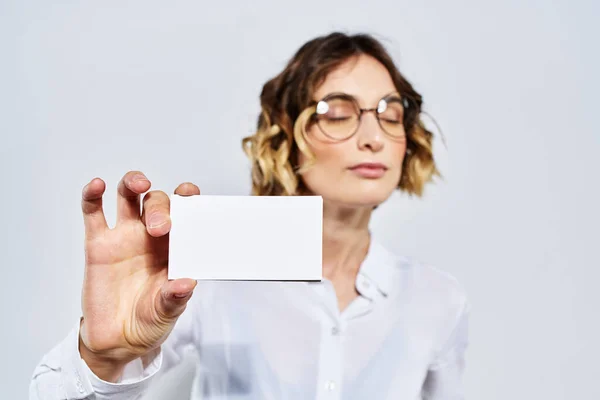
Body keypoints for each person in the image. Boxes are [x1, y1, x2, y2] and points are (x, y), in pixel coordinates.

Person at [30, 31, 469, 399]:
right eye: (337, 113)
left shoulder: (438, 300)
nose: (373, 136)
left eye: (391, 114)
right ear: (285, 135)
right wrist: (103, 359)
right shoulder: (207, 276)